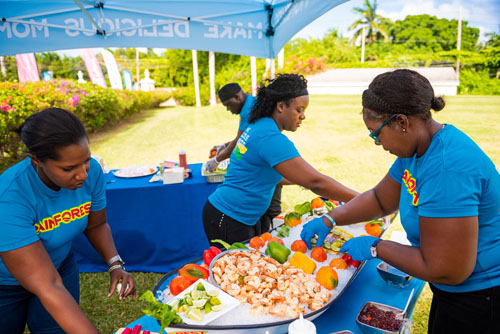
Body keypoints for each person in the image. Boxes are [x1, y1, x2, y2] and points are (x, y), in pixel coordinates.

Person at [300, 69, 500, 333]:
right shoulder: (419, 148)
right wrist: (330, 218)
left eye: (376, 133)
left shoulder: (447, 167)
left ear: (402, 122)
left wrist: (377, 247)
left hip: (480, 298)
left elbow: (447, 269)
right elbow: (381, 199)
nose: (376, 142)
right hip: (454, 291)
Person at [0, 108, 136, 334]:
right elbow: (48, 285)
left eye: (85, 161)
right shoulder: (10, 198)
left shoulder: (91, 174)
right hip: (5, 285)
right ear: (36, 160)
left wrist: (115, 263)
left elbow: (97, 224)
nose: (83, 174)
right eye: (68, 168)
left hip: (60, 267)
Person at [203, 74, 358, 245]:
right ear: (281, 106)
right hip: (228, 217)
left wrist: (302, 180)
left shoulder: (261, 125)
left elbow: (263, 174)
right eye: (299, 110)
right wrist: (363, 200)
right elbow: (316, 183)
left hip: (235, 215)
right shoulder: (269, 137)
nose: (303, 116)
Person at [206, 83, 282, 233]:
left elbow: (239, 142)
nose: (229, 110)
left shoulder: (248, 110)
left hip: (266, 167)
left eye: (228, 105)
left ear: (237, 97)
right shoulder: (251, 103)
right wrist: (223, 145)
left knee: (272, 212)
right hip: (267, 167)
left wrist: (217, 160)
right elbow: (244, 137)